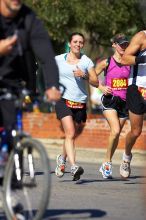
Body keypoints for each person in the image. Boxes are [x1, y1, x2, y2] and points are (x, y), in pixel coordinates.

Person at [0, 0, 61, 176]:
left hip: (12, 82)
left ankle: (11, 189)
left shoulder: (29, 18)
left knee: (12, 131)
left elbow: (47, 56)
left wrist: (52, 86)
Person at [55, 32, 99, 181]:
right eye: (75, 41)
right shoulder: (58, 59)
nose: (78, 44)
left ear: (83, 44)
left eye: (80, 42)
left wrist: (84, 75)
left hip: (80, 102)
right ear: (69, 43)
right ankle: (73, 166)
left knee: (71, 135)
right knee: (71, 132)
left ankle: (62, 158)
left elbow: (95, 82)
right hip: (62, 100)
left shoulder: (86, 62)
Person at [95, 34, 130, 179]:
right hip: (110, 100)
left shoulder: (130, 63)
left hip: (124, 103)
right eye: (121, 44)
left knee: (116, 135)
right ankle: (107, 162)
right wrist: (101, 87)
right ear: (114, 45)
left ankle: (106, 162)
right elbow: (91, 75)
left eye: (125, 44)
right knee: (115, 131)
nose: (123, 47)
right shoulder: (106, 62)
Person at [120, 30, 146, 178]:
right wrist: (142, 60)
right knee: (136, 131)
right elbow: (125, 59)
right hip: (138, 88)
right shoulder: (141, 37)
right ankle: (126, 157)